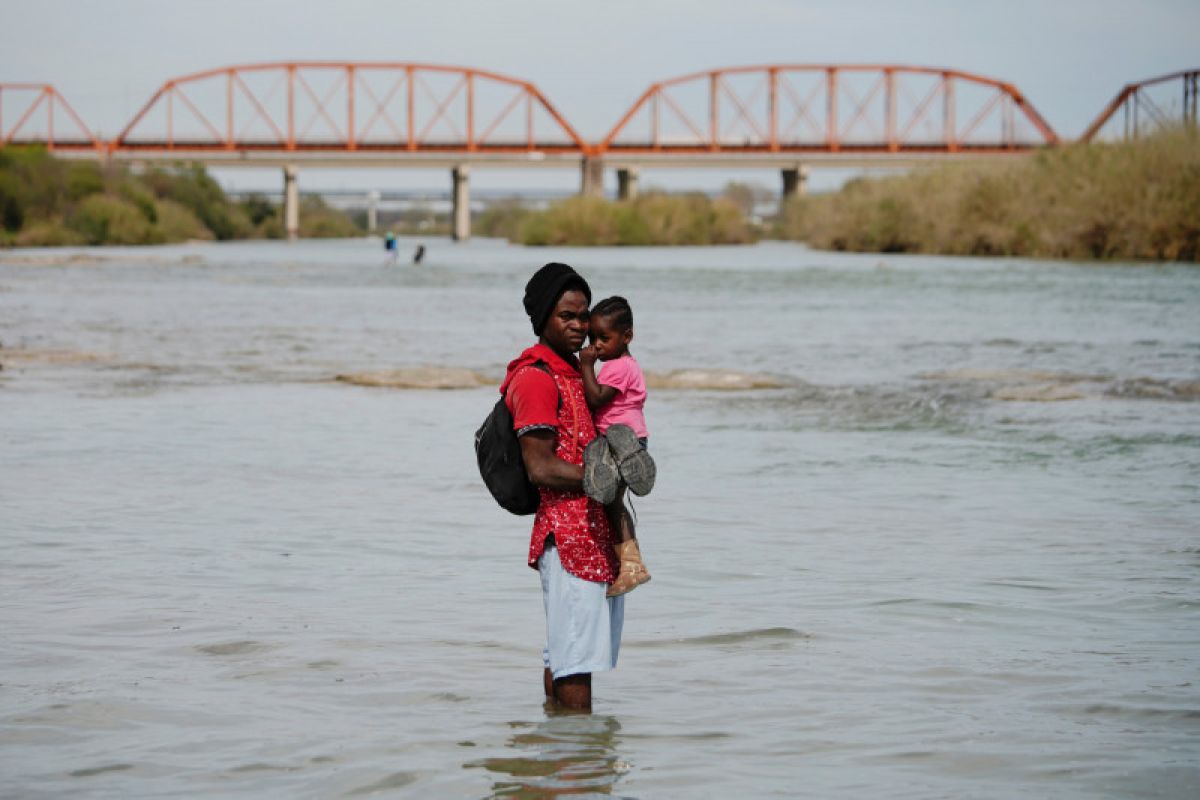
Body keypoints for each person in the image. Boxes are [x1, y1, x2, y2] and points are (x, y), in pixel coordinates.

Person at [500, 263, 630, 711]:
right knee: (575, 660)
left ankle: (557, 760)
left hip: (591, 534)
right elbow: (539, 467)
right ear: (542, 319)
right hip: (569, 536)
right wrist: (607, 477)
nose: (579, 326)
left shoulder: (576, 373)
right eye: (566, 317)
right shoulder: (536, 378)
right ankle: (579, 767)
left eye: (583, 315)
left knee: (565, 653)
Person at [579, 296, 653, 597]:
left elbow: (596, 398)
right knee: (613, 502)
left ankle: (632, 566)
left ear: (627, 337)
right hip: (631, 436)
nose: (596, 345)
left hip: (623, 439)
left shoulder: (617, 367)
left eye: (604, 339)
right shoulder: (626, 364)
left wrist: (585, 365)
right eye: (592, 338)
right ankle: (629, 564)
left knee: (613, 502)